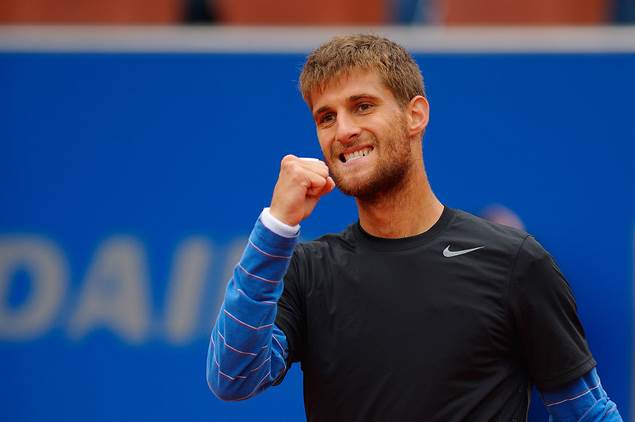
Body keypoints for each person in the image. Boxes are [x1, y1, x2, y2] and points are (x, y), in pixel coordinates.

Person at [206, 34, 623, 421]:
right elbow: (233, 377)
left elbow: (587, 414)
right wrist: (276, 225)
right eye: (326, 117)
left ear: (415, 115)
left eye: (362, 106)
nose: (344, 130)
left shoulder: (515, 262)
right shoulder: (306, 271)